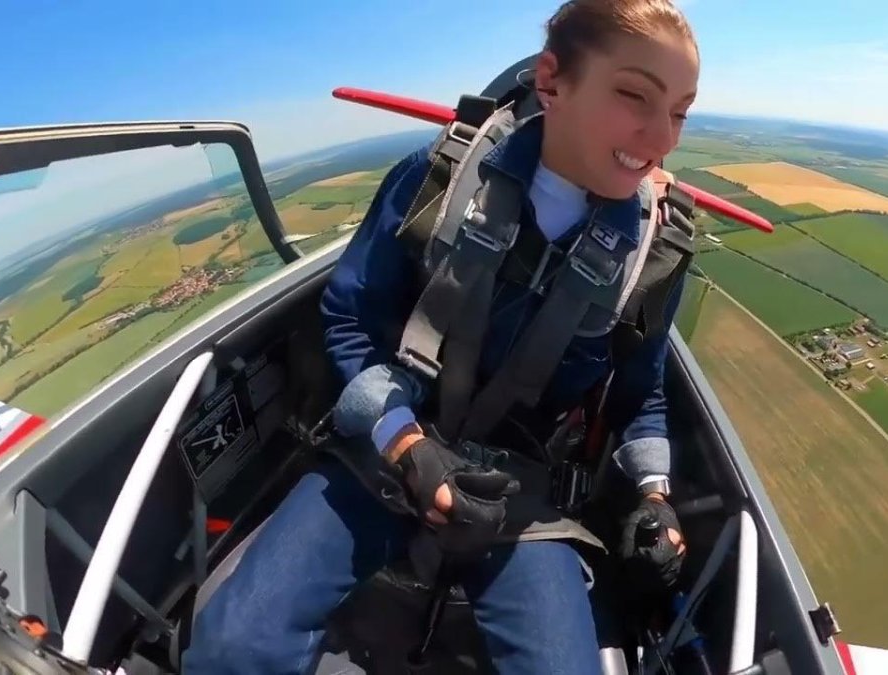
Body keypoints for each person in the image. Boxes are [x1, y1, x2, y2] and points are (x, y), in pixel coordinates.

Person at [183, 1, 700, 673]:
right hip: (384, 452)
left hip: (519, 495)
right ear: (551, 82)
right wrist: (406, 445)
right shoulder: (438, 182)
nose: (661, 137)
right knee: (233, 648)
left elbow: (640, 395)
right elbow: (350, 319)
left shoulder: (650, 253)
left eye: (681, 112)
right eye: (635, 95)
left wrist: (654, 497)